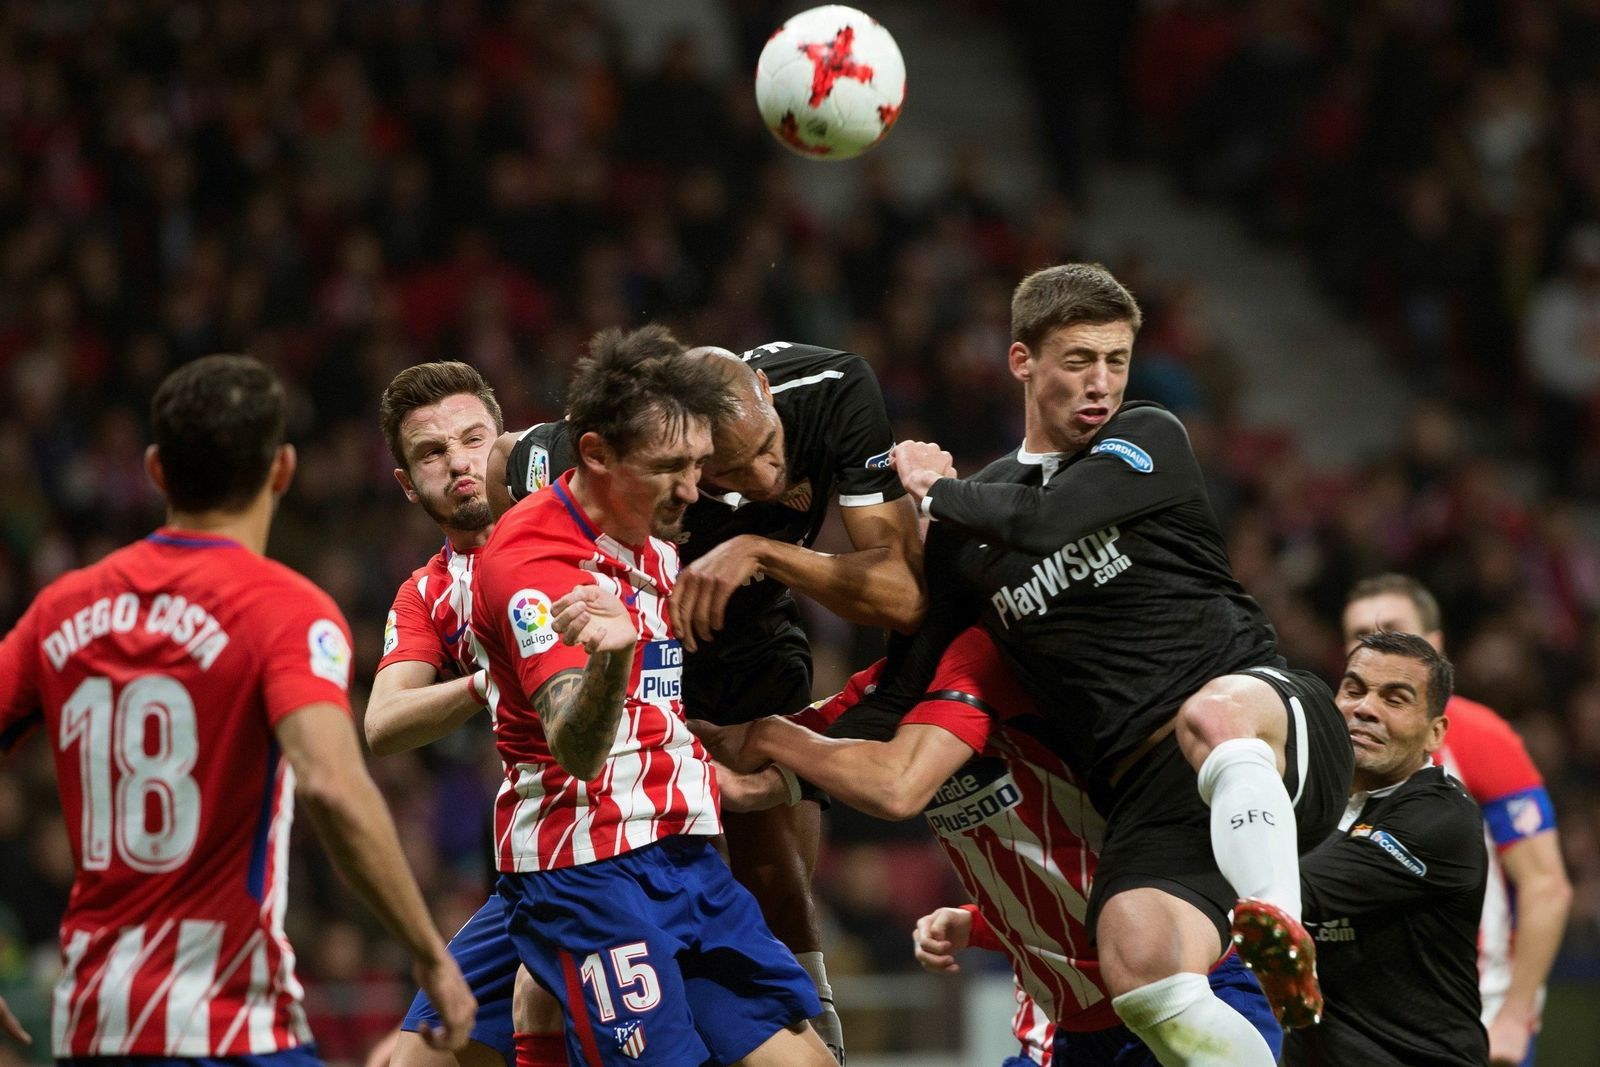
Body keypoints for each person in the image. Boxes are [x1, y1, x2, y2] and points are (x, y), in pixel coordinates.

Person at [884, 263, 1352, 1064]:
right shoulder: (973, 523)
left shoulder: (1147, 438)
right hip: (1145, 795)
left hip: (1270, 729)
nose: (1102, 383)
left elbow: (1047, 514)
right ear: (1022, 361)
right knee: (1136, 964)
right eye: (1079, 361)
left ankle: (1281, 928)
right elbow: (913, 670)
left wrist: (934, 491)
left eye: (1116, 359)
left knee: (1215, 715)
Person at [0, 355, 475, 1058]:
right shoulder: (284, 610)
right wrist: (430, 950)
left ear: (157, 470)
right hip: (226, 1022)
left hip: (96, 1022)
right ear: (281, 470)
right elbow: (333, 786)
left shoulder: (60, 610)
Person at [487, 339, 924, 1061]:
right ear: (601, 456)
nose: (760, 479)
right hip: (585, 854)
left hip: (715, 712)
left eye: (701, 468)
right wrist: (475, 610)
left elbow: (903, 598)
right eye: (699, 469)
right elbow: (499, 463)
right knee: (499, 999)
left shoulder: (659, 534)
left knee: (782, 888)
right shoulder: (552, 550)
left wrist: (759, 548)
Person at [693, 623, 1281, 1066]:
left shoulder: (1007, 656)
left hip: (1184, 982)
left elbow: (895, 787)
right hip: (1074, 1022)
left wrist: (769, 735)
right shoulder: (877, 696)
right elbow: (756, 772)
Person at [365, 361, 565, 1067]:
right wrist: (489, 681)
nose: (458, 462)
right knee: (415, 1056)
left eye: (472, 438)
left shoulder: (576, 519)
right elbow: (383, 724)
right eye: (430, 452)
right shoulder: (427, 593)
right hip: (534, 858)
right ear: (406, 481)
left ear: (504, 438)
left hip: (638, 833)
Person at [1342, 574, 1570, 1067]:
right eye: (1361, 635)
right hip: (1358, 1014)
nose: (1380, 645)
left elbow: (1545, 885)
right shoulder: (1327, 742)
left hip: (1473, 1011)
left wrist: (1514, 1014)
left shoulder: (1481, 738)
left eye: (1396, 629)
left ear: (1437, 645)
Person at [1285, 630, 1488, 1066]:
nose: (1365, 709)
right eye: (1354, 690)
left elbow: (1294, 890)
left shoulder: (1443, 819)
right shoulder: (1305, 795)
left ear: (1435, 733)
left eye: (1395, 700)